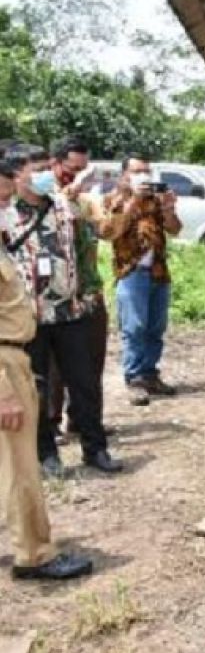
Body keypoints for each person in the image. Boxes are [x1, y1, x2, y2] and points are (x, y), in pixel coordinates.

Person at [0, 158, 94, 580]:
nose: (6, 199)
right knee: (22, 467)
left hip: (16, 351)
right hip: (4, 360)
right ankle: (34, 554)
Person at [6, 145, 119, 476]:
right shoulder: (7, 212)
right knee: (38, 388)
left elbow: (87, 248)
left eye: (45, 166)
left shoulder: (65, 206)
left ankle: (95, 449)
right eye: (36, 168)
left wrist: (87, 293)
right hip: (30, 319)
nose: (44, 174)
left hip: (70, 313)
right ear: (16, 175)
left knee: (84, 384)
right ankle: (47, 454)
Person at [97, 155, 182, 407]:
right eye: (136, 171)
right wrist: (132, 199)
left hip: (158, 271)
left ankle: (149, 373)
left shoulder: (155, 199)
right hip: (131, 271)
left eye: (146, 171)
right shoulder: (113, 199)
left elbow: (175, 229)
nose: (143, 176)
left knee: (156, 327)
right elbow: (110, 232)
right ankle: (133, 377)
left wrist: (168, 208)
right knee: (134, 327)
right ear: (124, 175)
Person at [48, 136, 107, 437]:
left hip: (89, 290)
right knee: (55, 368)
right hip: (56, 296)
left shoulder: (85, 199)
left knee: (91, 365)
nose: (77, 177)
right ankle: (52, 423)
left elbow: (106, 231)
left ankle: (83, 422)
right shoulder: (41, 199)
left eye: (83, 171)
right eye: (72, 171)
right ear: (54, 164)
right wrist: (71, 192)